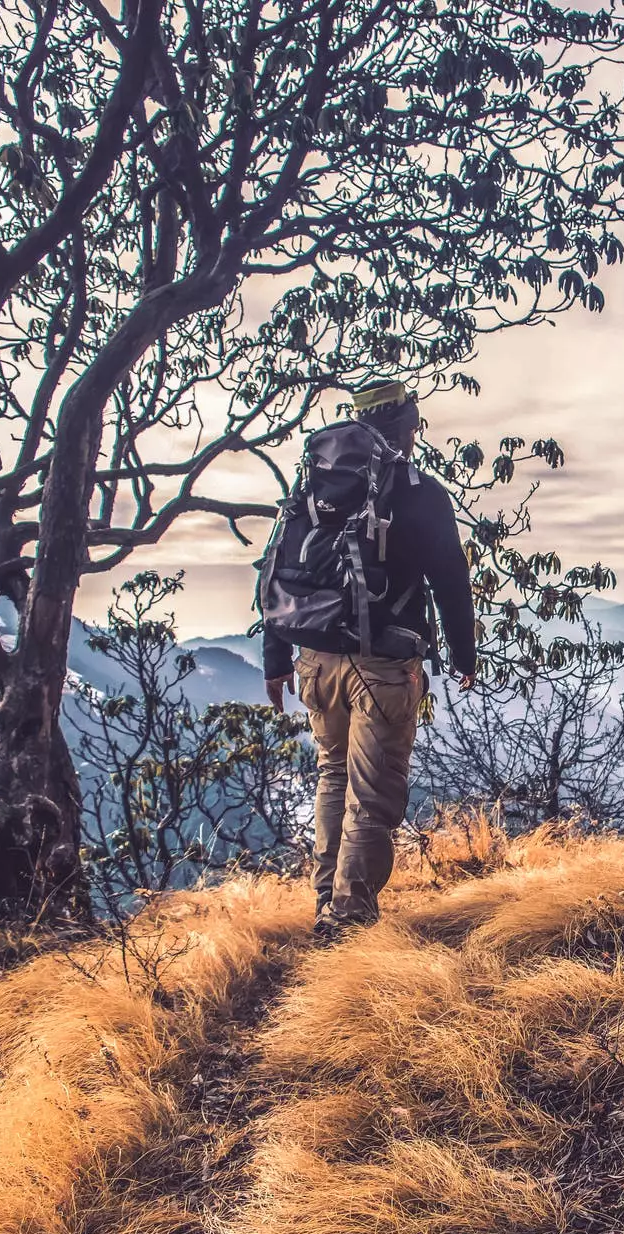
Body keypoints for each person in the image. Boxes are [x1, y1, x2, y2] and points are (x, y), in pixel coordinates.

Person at [261, 380, 476, 940]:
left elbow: (281, 567)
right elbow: (451, 577)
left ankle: (327, 900)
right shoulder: (417, 490)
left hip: (314, 658)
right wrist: (462, 651)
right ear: (406, 425)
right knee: (373, 792)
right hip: (382, 664)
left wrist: (275, 656)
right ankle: (348, 920)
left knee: (333, 777)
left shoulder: (316, 486)